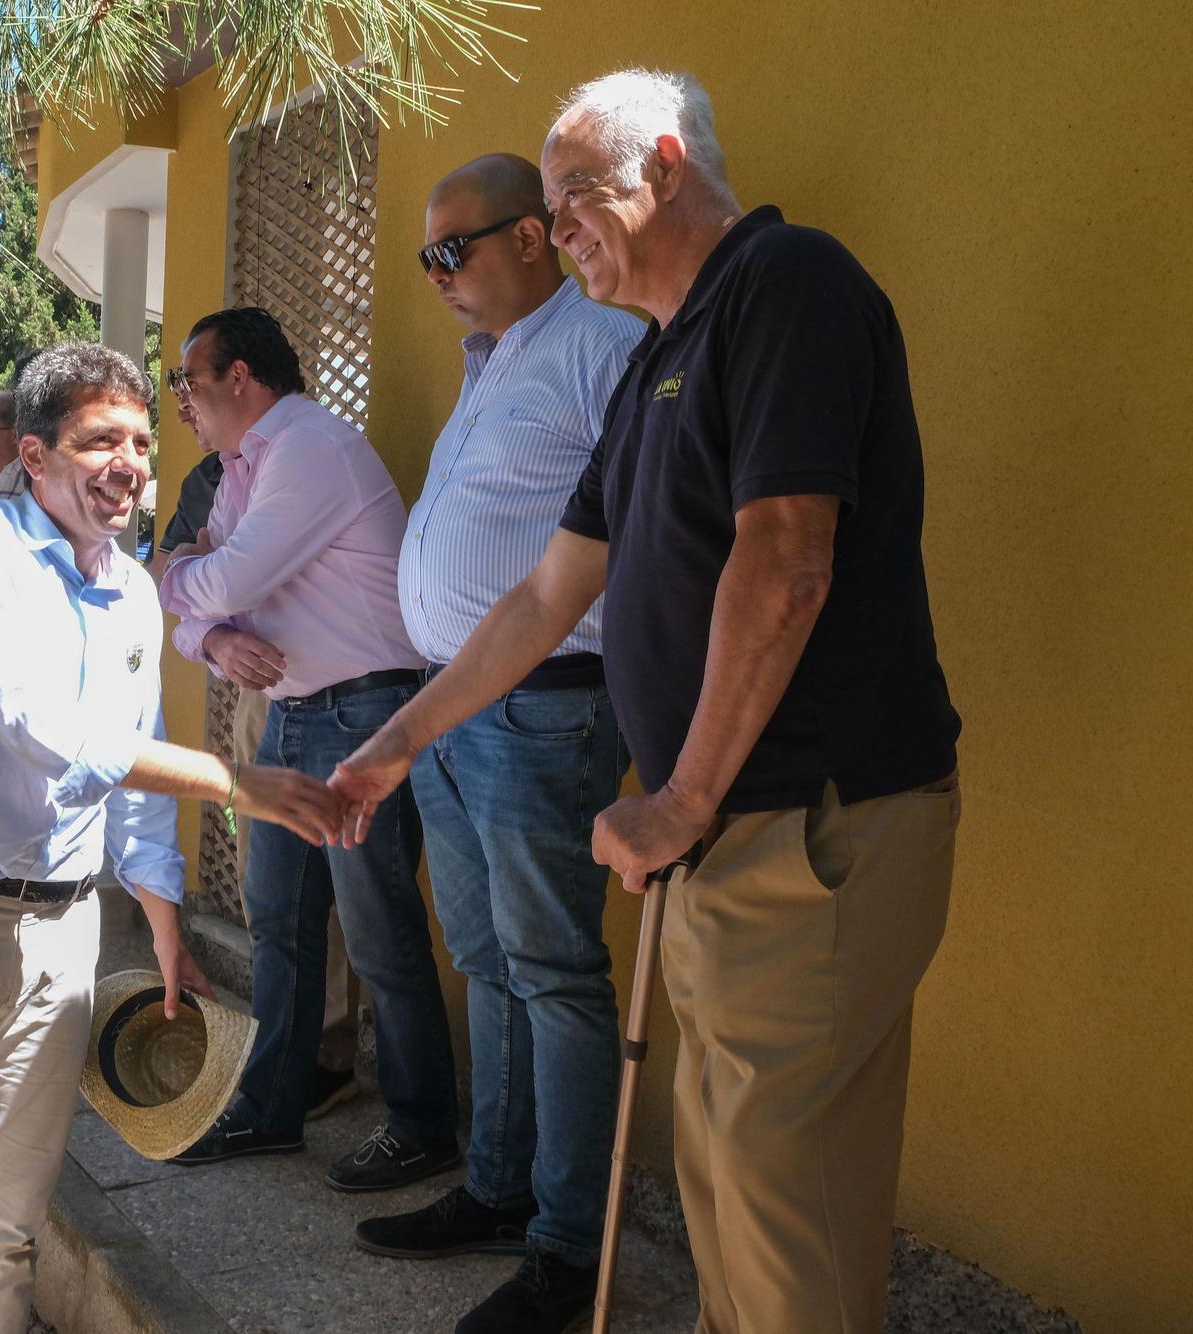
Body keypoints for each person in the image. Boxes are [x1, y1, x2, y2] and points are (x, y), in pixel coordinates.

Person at [335, 69, 962, 1334]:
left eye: (573, 196)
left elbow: (786, 556)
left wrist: (676, 795)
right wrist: (391, 748)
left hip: (807, 820)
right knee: (726, 1181)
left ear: (664, 166)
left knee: (786, 1213)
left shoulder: (786, 285)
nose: (556, 229)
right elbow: (540, 598)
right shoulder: (655, 362)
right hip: (729, 831)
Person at [0, 342, 345, 1333]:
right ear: (37, 456)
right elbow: (49, 731)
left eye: (141, 440)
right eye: (100, 439)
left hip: (55, 939)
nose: (129, 462)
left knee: (1, 1233)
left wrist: (165, 925)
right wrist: (235, 781)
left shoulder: (134, 591)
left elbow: (132, 775)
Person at [340, 152, 644, 1314]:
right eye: (424, 255)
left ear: (531, 237)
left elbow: (649, 540)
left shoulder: (601, 350)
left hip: (545, 705)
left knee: (556, 973)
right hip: (462, 712)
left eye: (449, 248)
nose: (434, 275)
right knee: (488, 961)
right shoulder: (491, 364)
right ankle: (499, 1184)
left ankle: (570, 1247)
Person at [158, 307, 454, 1183]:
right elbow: (201, 611)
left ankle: (423, 1122)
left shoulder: (309, 448)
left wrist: (176, 576)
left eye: (190, 382)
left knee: (378, 932)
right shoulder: (244, 468)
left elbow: (223, 577)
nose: (184, 403)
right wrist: (209, 638)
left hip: (365, 714)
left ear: (240, 379)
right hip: (294, 716)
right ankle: (270, 1109)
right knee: (278, 927)